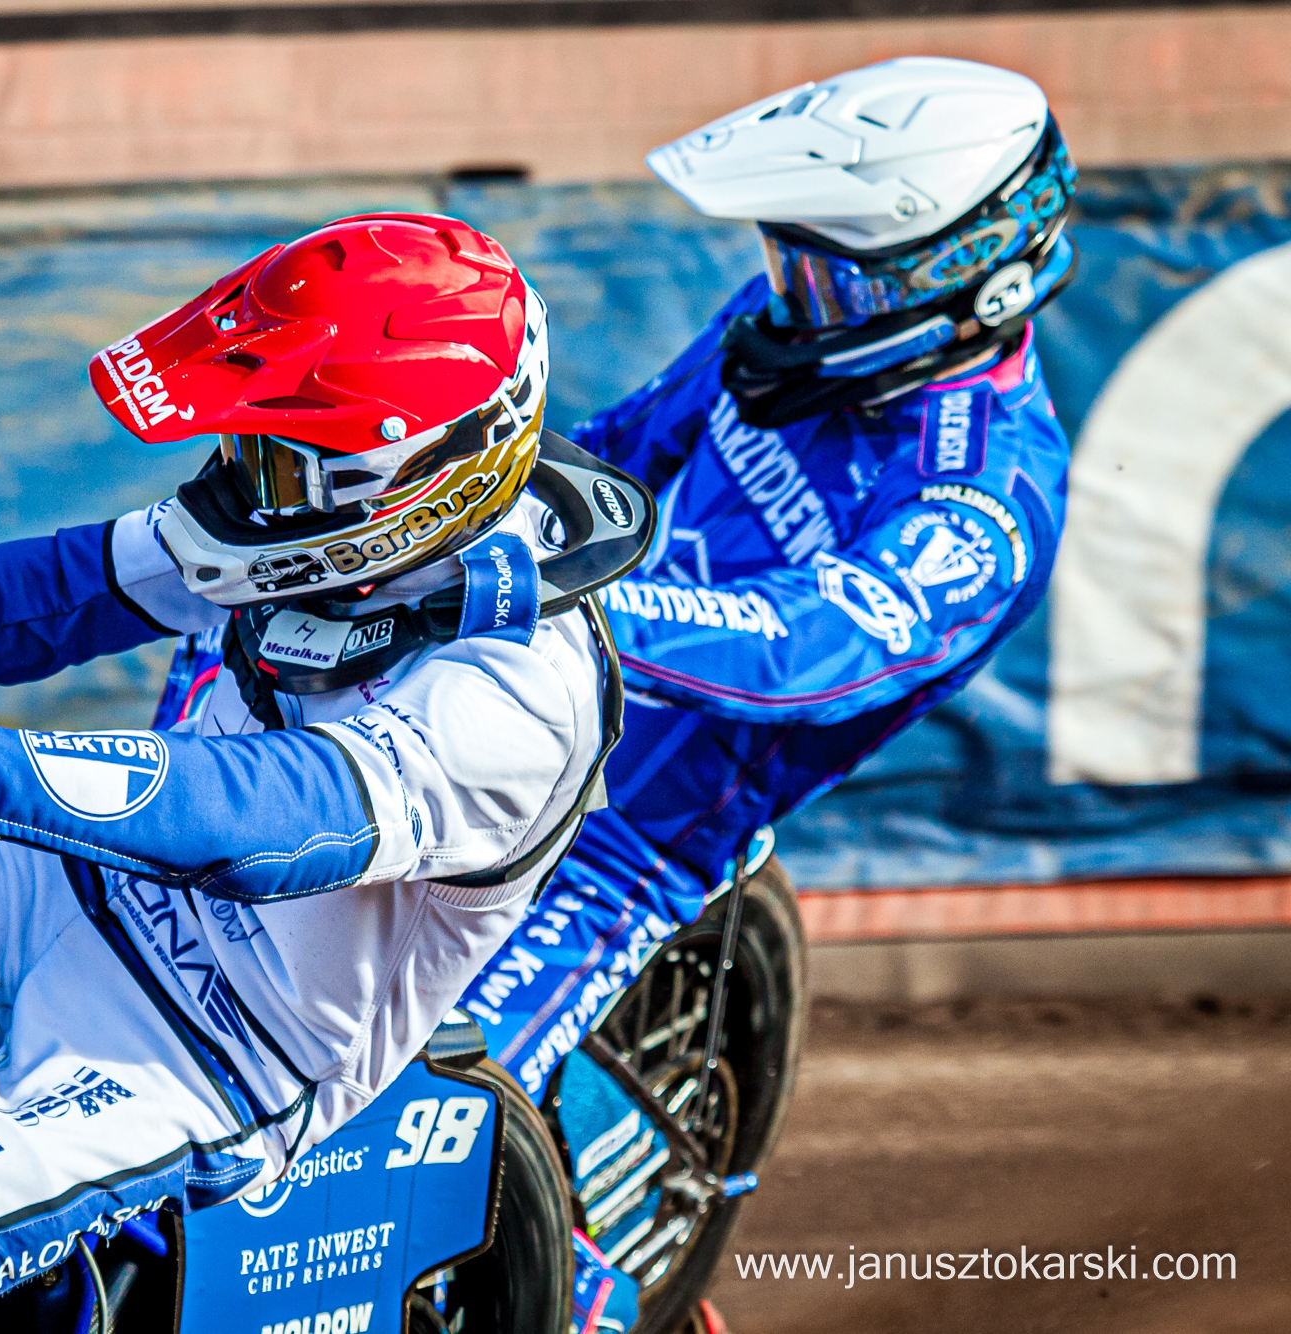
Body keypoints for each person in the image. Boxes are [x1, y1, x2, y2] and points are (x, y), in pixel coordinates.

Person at [0, 213, 647, 1334]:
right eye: (243, 443)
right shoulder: (326, 521)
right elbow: (51, 593)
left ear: (415, 482)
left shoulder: (523, 688)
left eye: (275, 461)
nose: (239, 483)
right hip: (61, 885)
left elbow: (263, 819)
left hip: (215, 1044)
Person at [458, 54, 1082, 1314]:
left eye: (835, 276)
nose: (798, 297)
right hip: (484, 723)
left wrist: (546, 608)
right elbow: (612, 458)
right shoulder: (780, 336)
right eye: (789, 260)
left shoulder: (982, 494)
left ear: (978, 275)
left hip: (616, 845)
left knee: (427, 1122)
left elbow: (797, 650)